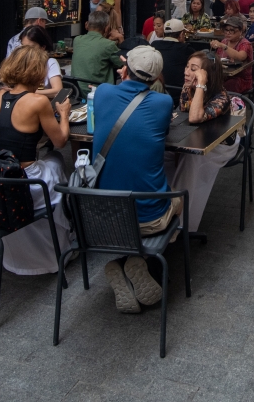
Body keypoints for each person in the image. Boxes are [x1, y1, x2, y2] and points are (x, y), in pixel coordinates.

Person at [91, 46, 178, 314]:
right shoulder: (163, 103)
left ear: (125, 69)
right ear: (155, 78)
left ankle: (126, 261)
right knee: (178, 196)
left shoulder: (104, 93)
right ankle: (137, 259)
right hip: (147, 221)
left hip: (98, 216)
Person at [0, 45, 73, 275]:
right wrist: (64, 114)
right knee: (56, 159)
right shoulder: (38, 102)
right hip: (26, 181)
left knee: (50, 160)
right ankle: (64, 230)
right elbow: (61, 141)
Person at [163, 51, 239, 234]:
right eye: (187, 67)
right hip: (195, 138)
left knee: (191, 160)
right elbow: (184, 116)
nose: (186, 72)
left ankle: (181, 223)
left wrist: (201, 85)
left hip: (221, 144)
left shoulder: (221, 97)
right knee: (162, 153)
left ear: (206, 74)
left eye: (193, 69)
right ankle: (161, 206)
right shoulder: (187, 87)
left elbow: (195, 117)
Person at [70, 10, 124, 90]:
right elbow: (123, 63)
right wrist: (121, 38)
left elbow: (96, 49)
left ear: (86, 25)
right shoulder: (108, 45)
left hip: (78, 90)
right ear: (106, 29)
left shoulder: (77, 40)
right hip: (98, 92)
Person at [209, 14, 253, 94]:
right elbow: (218, 58)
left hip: (240, 78)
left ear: (240, 31)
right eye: (226, 30)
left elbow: (240, 57)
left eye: (232, 30)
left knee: (227, 85)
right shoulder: (224, 41)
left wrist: (224, 46)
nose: (228, 33)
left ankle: (225, 104)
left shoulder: (245, 44)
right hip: (224, 75)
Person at [17, 25, 64, 99]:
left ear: (43, 47)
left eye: (31, 48)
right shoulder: (20, 61)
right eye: (23, 47)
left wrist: (28, 92)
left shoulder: (50, 63)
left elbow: (58, 91)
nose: (26, 51)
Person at [152, 18, 197, 92]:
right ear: (181, 34)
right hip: (178, 93)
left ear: (164, 33)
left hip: (156, 92)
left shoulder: (154, 45)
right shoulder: (186, 49)